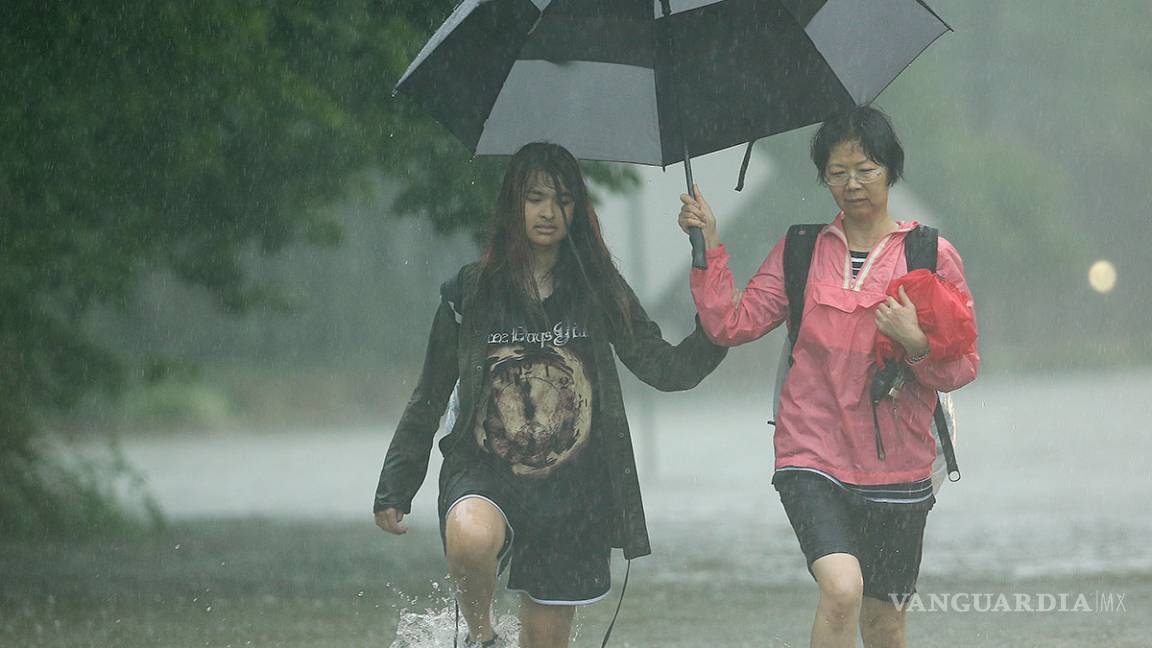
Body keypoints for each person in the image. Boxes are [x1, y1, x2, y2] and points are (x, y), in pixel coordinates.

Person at [375, 142, 727, 648]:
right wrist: (396, 485)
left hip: (573, 490)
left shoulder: (597, 289)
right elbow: (429, 394)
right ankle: (482, 638)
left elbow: (664, 367)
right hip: (485, 468)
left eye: (562, 199)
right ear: (512, 206)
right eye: (534, 197)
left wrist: (721, 324)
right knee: (470, 537)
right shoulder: (470, 293)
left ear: (577, 210)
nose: (547, 211)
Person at [677, 106, 979, 648]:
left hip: (900, 466)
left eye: (865, 168)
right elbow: (731, 322)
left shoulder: (929, 255)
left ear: (890, 169)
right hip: (810, 454)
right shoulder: (801, 250)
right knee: (841, 589)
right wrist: (708, 245)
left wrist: (915, 344)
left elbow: (962, 366)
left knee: (884, 623)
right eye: (837, 172)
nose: (852, 184)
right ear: (823, 179)